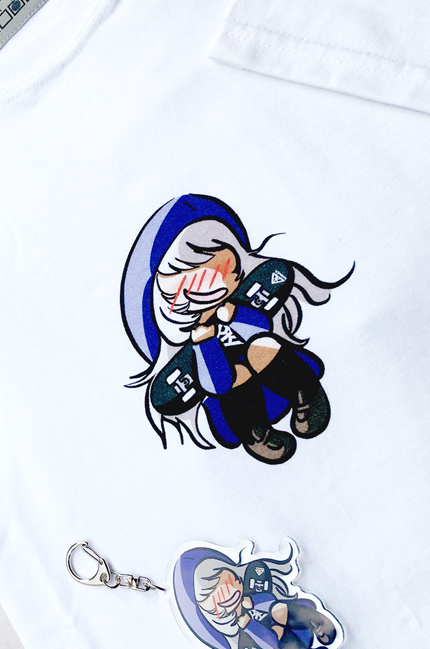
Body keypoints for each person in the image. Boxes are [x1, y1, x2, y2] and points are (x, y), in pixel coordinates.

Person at [120, 194, 352, 463]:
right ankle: (256, 433)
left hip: (277, 368)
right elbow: (216, 383)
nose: (200, 291)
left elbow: (261, 325)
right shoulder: (195, 341)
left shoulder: (236, 304)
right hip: (236, 399)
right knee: (231, 377)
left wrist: (234, 314)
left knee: (261, 347)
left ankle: (306, 391)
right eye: (179, 291)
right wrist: (205, 342)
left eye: (215, 273)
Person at [172, 540, 342, 649]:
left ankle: (316, 622)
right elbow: (268, 643)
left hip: (287, 619)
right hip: (278, 642)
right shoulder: (239, 628)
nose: (229, 595)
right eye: (220, 602)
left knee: (279, 608)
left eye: (233, 584)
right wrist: (249, 625)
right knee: (276, 640)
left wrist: (255, 602)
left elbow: (269, 598)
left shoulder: (249, 597)